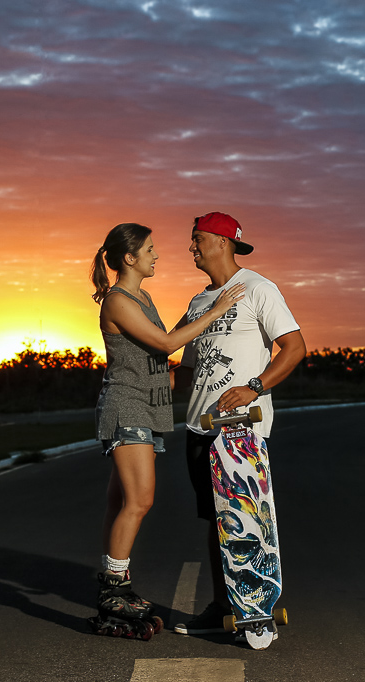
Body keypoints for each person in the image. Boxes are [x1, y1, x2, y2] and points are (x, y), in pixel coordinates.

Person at [89, 222, 245, 638]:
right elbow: (164, 343)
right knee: (139, 501)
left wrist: (199, 322)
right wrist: (215, 312)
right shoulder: (119, 301)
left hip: (144, 406)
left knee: (119, 501)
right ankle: (114, 589)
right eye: (150, 249)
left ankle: (111, 581)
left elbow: (166, 345)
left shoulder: (142, 296)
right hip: (127, 408)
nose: (157, 255)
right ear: (129, 258)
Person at [171, 212, 306, 636]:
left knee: (246, 519)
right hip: (198, 428)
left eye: (198, 239)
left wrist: (255, 386)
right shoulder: (198, 303)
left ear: (223, 241)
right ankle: (224, 607)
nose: (191, 247)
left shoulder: (258, 289)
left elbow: (294, 347)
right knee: (216, 519)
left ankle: (255, 605)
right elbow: (187, 371)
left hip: (240, 429)